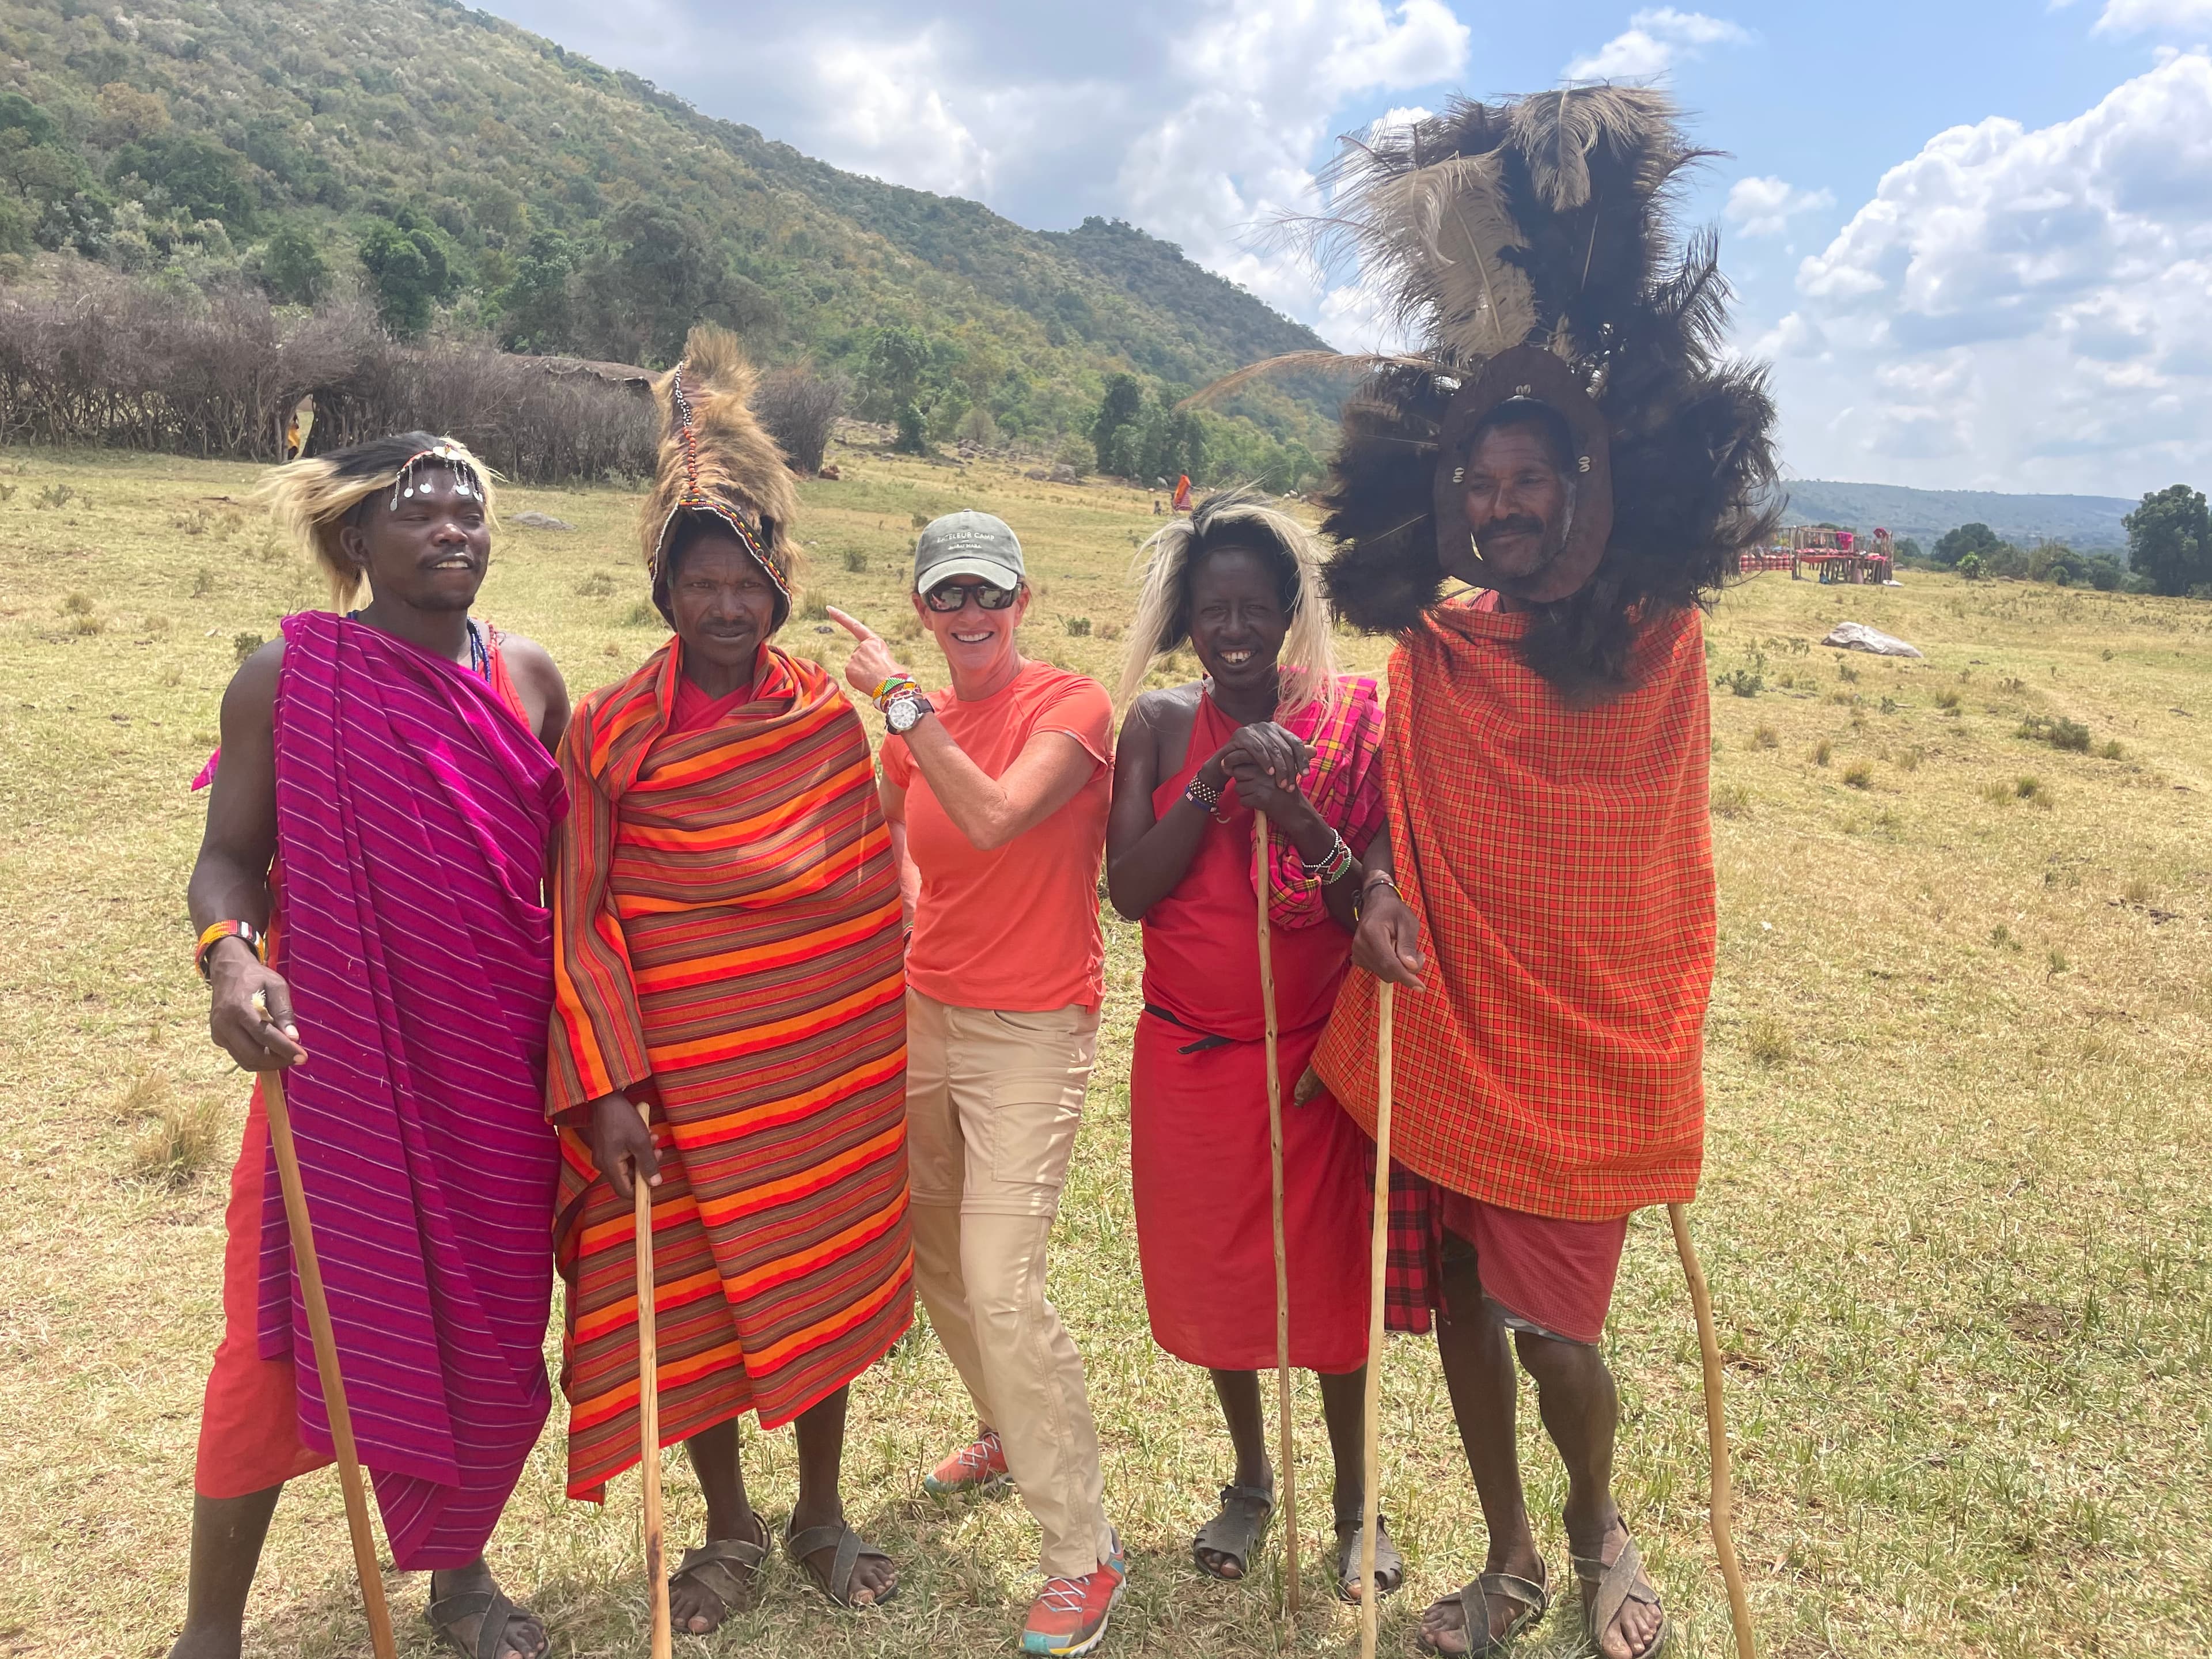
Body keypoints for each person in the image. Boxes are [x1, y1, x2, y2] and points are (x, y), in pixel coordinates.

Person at [1235, 89, 1782, 1659]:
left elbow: (1633, 829)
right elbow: (1410, 808)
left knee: (1558, 1334)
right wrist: (1377, 884)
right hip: (1449, 1015)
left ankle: (1607, 1536)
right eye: (1482, 482)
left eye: (1534, 482)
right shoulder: (1443, 655)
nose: (1503, 505)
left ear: (1589, 492)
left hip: (1589, 1037)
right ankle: (1514, 1559)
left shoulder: (1647, 641)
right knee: (1464, 1302)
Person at [177, 434, 571, 1659]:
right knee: (272, 1347)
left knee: (484, 1328)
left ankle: (460, 1586)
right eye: (422, 513)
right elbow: (227, 863)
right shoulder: (290, 675)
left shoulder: (531, 679)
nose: (456, 529)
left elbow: (561, 884)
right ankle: (209, 1633)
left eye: (472, 511)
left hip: (495, 1076)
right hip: (334, 1070)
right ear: (356, 544)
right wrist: (231, 959)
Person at [545, 325, 912, 1631]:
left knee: (813, 1276)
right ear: (663, 591)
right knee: (689, 1307)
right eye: (698, 584)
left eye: (745, 583)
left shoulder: (822, 718)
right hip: (674, 1095)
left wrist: (841, 1038)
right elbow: (579, 921)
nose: (722, 608)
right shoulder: (610, 733)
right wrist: (610, 1087)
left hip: (811, 1084)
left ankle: (821, 1510)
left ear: (778, 589)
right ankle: (729, 1524)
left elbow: (863, 898)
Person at [828, 512, 1122, 1658]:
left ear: (1023, 598)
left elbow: (997, 819)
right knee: (934, 1250)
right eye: (947, 597)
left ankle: (1082, 1555)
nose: (970, 616)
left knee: (1002, 1282)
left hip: (1033, 1029)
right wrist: (907, 900)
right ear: (922, 607)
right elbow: (907, 821)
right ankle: (1009, 1425)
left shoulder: (1071, 708)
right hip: (925, 1009)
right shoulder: (918, 729)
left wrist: (901, 698)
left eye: (987, 595)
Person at [1104, 490, 1401, 1601]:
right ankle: (1248, 1479)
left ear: (1289, 616)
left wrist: (1303, 820)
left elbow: (1359, 899)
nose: (1235, 634)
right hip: (1189, 1061)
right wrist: (1222, 783)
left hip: (1313, 1066)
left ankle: (1357, 1504)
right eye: (1213, 612)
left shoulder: (1346, 722)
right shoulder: (1161, 727)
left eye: (1256, 611)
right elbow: (1129, 891)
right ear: (1187, 622)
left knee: (1327, 1293)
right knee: (1221, 1286)